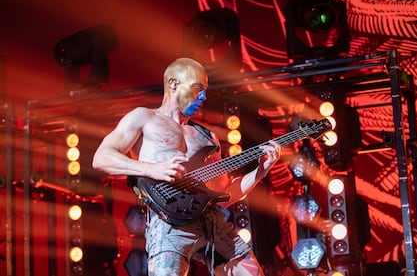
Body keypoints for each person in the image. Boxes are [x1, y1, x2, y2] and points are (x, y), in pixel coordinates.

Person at [92, 57, 281, 276]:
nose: (204, 96)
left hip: (212, 223)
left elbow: (227, 194)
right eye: (198, 88)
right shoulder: (144, 117)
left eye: (206, 90)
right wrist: (150, 169)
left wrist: (261, 171)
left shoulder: (206, 137)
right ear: (173, 84)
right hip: (169, 225)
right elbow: (102, 158)